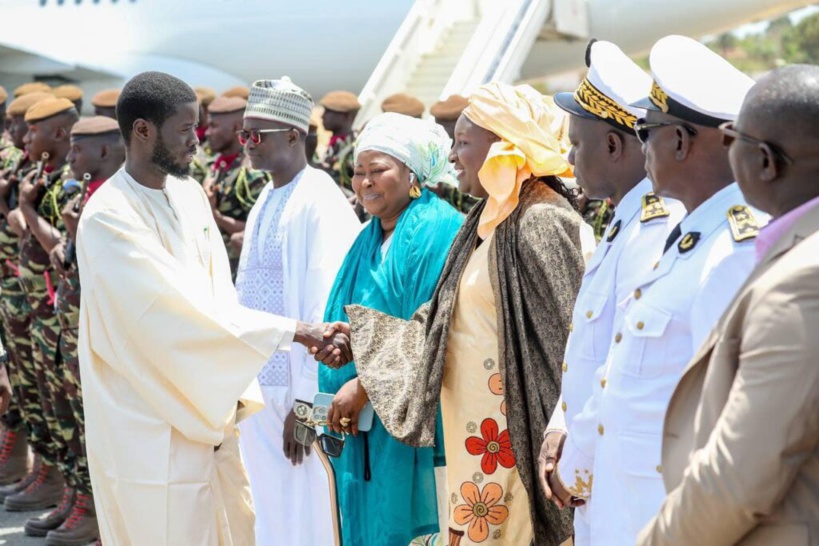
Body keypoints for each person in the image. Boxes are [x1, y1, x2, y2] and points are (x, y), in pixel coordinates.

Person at [75, 71, 351, 546]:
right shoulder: (109, 215)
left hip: (226, 401)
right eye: (185, 131)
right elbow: (173, 313)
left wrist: (305, 394)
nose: (197, 143)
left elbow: (223, 296)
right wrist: (296, 332)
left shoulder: (189, 195)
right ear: (143, 131)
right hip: (152, 419)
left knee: (256, 523)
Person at [323, 82, 585, 545]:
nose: (453, 157)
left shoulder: (540, 219)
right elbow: (440, 320)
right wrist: (365, 339)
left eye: (464, 143)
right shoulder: (486, 220)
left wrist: (556, 439)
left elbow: (565, 344)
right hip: (477, 444)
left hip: (513, 445)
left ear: (503, 147)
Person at [547, 35, 766, 546]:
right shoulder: (691, 239)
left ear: (683, 142)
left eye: (650, 130)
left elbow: (731, 428)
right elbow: (617, 367)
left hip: (664, 516)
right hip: (623, 511)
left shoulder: (729, 252)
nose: (644, 144)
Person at [638, 64, 819, 546]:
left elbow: (738, 475)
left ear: (764, 163)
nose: (725, 147)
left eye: (733, 137)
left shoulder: (801, 282)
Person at [539, 39, 685, 546]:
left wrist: (571, 463)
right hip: (600, 480)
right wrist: (559, 425)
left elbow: (623, 360)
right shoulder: (624, 223)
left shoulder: (653, 227)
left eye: (577, 145)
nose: (569, 157)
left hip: (624, 485)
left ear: (614, 146)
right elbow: (587, 352)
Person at [318, 112, 463, 546]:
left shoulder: (438, 228)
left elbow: (430, 325)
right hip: (364, 420)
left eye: (378, 170)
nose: (364, 182)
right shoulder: (369, 236)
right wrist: (341, 343)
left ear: (413, 175)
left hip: (411, 413)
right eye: (358, 172)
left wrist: (364, 383)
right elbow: (362, 313)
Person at [233, 77, 360, 546]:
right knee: (269, 512)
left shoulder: (319, 198)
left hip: (299, 396)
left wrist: (309, 407)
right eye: (243, 134)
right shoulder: (264, 198)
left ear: (293, 135)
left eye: (255, 135)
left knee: (311, 511)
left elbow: (328, 313)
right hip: (260, 390)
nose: (246, 144)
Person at [42, 116, 124, 546]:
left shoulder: (117, 202)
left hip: (101, 339)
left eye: (79, 150)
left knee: (104, 431)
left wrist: (75, 233)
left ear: (105, 152)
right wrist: (65, 244)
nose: (70, 158)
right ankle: (80, 500)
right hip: (71, 331)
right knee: (76, 423)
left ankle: (104, 518)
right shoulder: (88, 195)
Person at [6, 98, 79, 520]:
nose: (25, 138)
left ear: (59, 136)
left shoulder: (67, 183)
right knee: (49, 406)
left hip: (59, 316)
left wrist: (27, 210)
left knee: (72, 413)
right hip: (39, 310)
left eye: (33, 131)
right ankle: (61, 484)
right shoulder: (41, 176)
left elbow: (60, 247)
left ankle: (84, 500)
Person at [201, 95, 269, 278]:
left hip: (238, 274)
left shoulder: (250, 173)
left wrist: (217, 216)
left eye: (214, 126)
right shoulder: (216, 166)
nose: (207, 133)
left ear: (236, 128)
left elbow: (260, 232)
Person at [429, 95, 479, 214]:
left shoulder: (477, 156)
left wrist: (444, 190)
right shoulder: (436, 153)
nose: (438, 130)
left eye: (443, 125)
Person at [319, 90, 360, 194]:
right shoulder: (335, 145)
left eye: (328, 111)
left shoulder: (355, 148)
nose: (322, 116)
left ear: (345, 116)